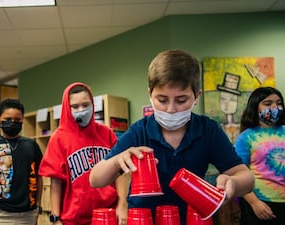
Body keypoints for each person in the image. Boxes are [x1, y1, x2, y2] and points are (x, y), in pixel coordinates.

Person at [89, 49, 255, 225]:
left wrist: (233, 182)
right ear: (150, 95)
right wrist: (117, 161)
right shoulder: (140, 131)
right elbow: (95, 179)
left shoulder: (208, 130)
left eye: (181, 100)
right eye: (162, 99)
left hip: (191, 220)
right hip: (144, 221)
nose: (171, 109)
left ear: (196, 96)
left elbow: (247, 178)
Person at [38, 82, 128, 225]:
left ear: (92, 104)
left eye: (86, 105)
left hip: (108, 213)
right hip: (74, 219)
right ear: (68, 108)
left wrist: (122, 204)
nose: (82, 110)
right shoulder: (59, 138)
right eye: (75, 106)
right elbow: (56, 182)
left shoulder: (107, 133)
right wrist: (56, 218)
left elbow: (119, 171)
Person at [0, 98, 43, 225]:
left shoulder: (31, 145)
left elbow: (39, 176)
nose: (13, 123)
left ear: (22, 120)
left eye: (17, 120)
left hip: (27, 214)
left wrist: (37, 205)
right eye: (8, 119)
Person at [234, 87, 285, 225]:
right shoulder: (246, 137)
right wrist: (255, 203)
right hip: (260, 203)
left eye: (278, 103)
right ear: (255, 107)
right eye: (268, 104)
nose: (275, 107)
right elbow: (238, 175)